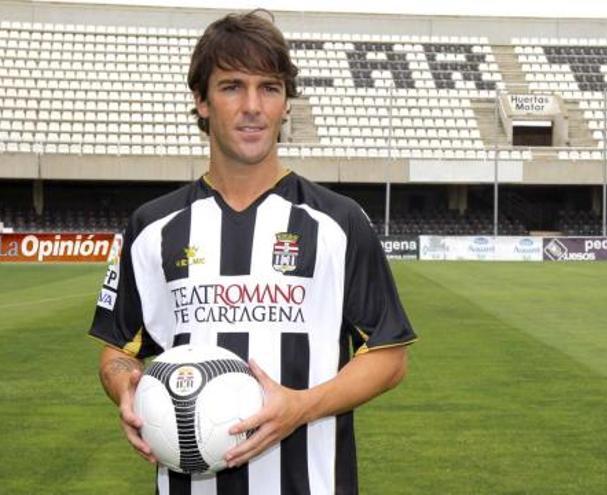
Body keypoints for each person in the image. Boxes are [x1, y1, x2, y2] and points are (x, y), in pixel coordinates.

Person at [89, 10, 417, 495]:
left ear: (286, 103)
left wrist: (299, 408)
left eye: (269, 88)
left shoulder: (340, 222)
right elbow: (118, 351)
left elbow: (390, 358)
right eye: (231, 87)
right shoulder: (151, 227)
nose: (253, 107)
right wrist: (128, 391)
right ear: (201, 100)